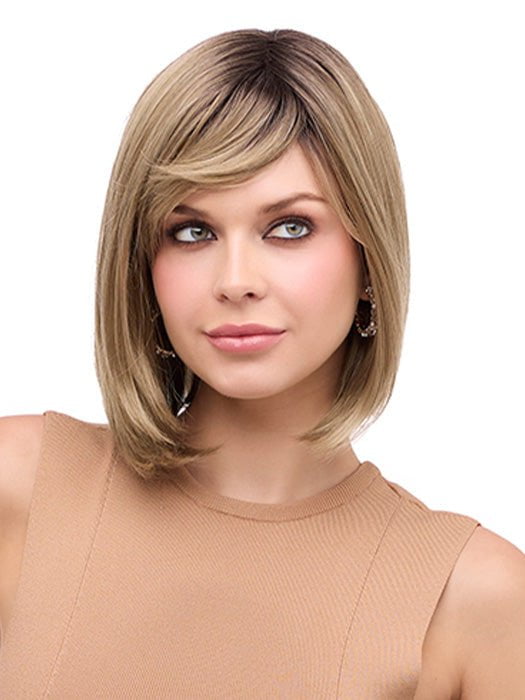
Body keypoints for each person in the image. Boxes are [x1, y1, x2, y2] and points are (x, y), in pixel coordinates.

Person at [0, 28, 523, 698]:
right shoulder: (22, 490)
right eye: (192, 232)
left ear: (369, 259)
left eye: (289, 228)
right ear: (143, 268)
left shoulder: (471, 599)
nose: (236, 280)